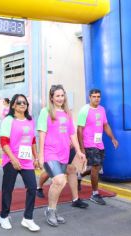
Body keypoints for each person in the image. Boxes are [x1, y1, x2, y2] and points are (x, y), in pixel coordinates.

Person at [37, 84, 85, 227]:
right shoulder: (45, 112)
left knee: (62, 180)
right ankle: (51, 211)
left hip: (64, 153)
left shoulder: (67, 113)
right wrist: (40, 155)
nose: (60, 98)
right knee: (59, 181)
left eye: (62, 95)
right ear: (51, 97)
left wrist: (78, 151)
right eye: (57, 96)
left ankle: (52, 209)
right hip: (50, 152)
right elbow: (42, 134)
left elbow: (72, 134)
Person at [0, 94, 40, 232]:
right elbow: (3, 141)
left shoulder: (30, 119)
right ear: (13, 105)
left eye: (25, 102)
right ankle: (3, 216)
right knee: (8, 189)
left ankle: (28, 218)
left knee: (32, 187)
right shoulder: (8, 120)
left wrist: (36, 156)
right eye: (19, 102)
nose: (23, 104)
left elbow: (32, 140)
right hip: (11, 160)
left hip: (26, 160)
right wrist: (13, 159)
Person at [77, 89, 118, 205]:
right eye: (94, 96)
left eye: (98, 96)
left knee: (97, 167)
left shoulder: (102, 109)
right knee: (95, 167)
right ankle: (95, 194)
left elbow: (105, 125)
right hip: (89, 143)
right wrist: (81, 147)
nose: (96, 98)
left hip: (99, 143)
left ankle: (79, 176)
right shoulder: (84, 110)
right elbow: (79, 129)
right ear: (89, 97)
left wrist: (113, 138)